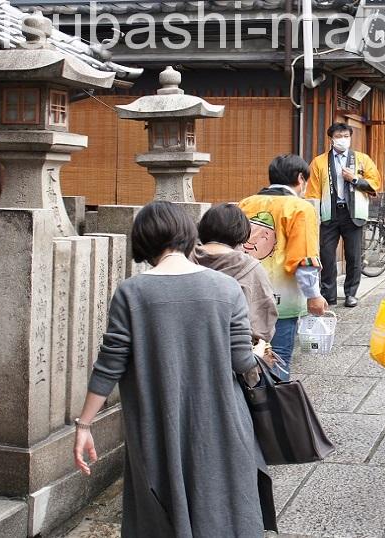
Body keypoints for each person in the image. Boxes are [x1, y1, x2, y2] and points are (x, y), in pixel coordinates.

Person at [72, 200, 273, 536]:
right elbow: (241, 362)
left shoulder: (132, 292)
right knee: (223, 509)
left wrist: (84, 424)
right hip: (222, 420)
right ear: (186, 234)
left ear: (143, 242)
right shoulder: (226, 288)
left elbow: (110, 364)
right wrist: (260, 352)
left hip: (158, 426)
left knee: (161, 512)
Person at [238, 154, 327, 381]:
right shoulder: (300, 208)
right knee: (278, 360)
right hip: (282, 299)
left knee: (247, 360)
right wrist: (314, 296)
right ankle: (274, 412)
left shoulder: (246, 203)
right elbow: (304, 258)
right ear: (300, 178)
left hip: (243, 294)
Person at [304, 123, 382, 308]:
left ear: (350, 137)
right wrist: (313, 216)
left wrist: (354, 179)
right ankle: (328, 294)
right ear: (331, 139)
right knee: (326, 255)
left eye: (346, 136)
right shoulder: (319, 162)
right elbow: (312, 192)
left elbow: (375, 182)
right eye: (339, 136)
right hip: (329, 213)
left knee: (353, 256)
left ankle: (351, 294)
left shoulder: (362, 159)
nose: (343, 139)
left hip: (353, 212)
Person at [194, 203, 279, 347]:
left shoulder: (184, 259)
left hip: (187, 352)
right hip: (235, 354)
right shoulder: (251, 268)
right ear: (242, 231)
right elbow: (264, 319)